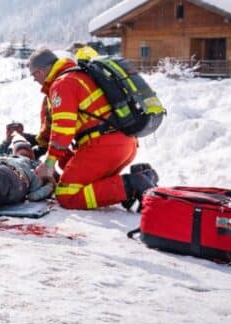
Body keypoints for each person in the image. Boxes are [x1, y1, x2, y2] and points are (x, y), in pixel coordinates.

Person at [26, 47, 158, 211]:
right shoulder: (79, 76)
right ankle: (143, 176)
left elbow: (63, 129)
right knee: (68, 163)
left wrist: (48, 164)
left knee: (67, 195)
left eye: (34, 74)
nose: (34, 79)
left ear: (43, 70)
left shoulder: (62, 84)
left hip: (103, 146)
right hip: (125, 143)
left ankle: (132, 184)